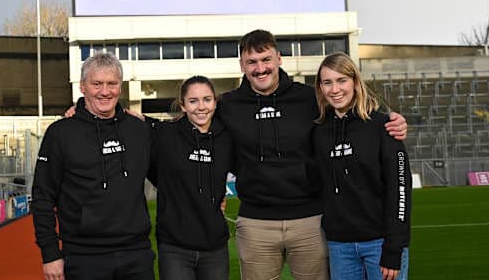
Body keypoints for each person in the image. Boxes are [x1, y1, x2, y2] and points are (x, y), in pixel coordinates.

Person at [217, 29, 408, 280]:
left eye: (266, 60)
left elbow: (350, 110)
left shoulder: (310, 98)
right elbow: (199, 134)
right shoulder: (227, 105)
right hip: (256, 222)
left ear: (279, 59)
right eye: (251, 62)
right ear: (242, 64)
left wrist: (391, 119)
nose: (260, 68)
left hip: (309, 221)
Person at [31, 53, 154, 280]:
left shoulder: (139, 130)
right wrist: (50, 254)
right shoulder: (61, 133)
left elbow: (170, 174)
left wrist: (212, 195)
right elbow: (42, 197)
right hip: (83, 257)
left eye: (112, 84)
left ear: (120, 86)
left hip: (136, 254)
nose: (105, 92)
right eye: (97, 84)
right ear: (82, 87)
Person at [311, 52, 412, 280]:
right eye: (327, 82)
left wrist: (394, 248)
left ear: (355, 82)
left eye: (341, 80)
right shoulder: (319, 132)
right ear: (320, 88)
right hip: (340, 247)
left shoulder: (383, 126)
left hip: (380, 243)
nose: (335, 90)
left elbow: (400, 189)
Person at [149, 75, 235, 280]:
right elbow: (126, 119)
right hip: (174, 248)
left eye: (207, 99)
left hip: (214, 248)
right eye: (193, 101)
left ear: (215, 102)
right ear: (183, 105)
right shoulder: (165, 134)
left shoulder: (227, 139)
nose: (201, 107)